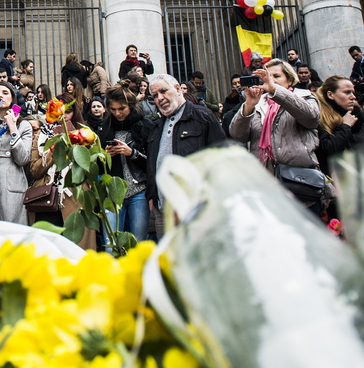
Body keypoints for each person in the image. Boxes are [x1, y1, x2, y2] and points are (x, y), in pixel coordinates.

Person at [229, 58, 323, 214]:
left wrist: (275, 91)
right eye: (267, 76)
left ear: (290, 78)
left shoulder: (304, 96)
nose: (270, 80)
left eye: (276, 76)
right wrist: (249, 105)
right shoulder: (259, 104)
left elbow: (311, 118)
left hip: (298, 185)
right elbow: (238, 135)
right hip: (266, 186)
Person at [145, 74, 225, 228]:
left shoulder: (203, 116)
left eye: (163, 91)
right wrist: (152, 197)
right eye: (155, 95)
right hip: (163, 212)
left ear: (177, 89)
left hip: (196, 209)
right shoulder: (156, 126)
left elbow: (221, 157)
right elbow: (152, 164)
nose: (160, 98)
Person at [104, 87, 150, 243]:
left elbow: (151, 162)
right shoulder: (106, 127)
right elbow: (97, 164)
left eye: (121, 108)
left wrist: (132, 153)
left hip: (139, 190)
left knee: (139, 241)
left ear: (130, 106)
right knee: (111, 243)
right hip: (113, 192)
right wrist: (105, 156)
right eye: (113, 109)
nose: (118, 113)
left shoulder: (144, 125)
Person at [0, 81, 33, 224]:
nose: (0, 96)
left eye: (5, 93)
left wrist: (13, 128)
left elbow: (23, 159)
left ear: (13, 98)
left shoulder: (24, 126)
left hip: (12, 187)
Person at [315, 76, 364, 180]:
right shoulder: (321, 120)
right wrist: (345, 126)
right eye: (347, 92)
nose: (353, 97)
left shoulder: (358, 117)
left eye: (353, 92)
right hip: (339, 182)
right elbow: (329, 149)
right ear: (330, 95)